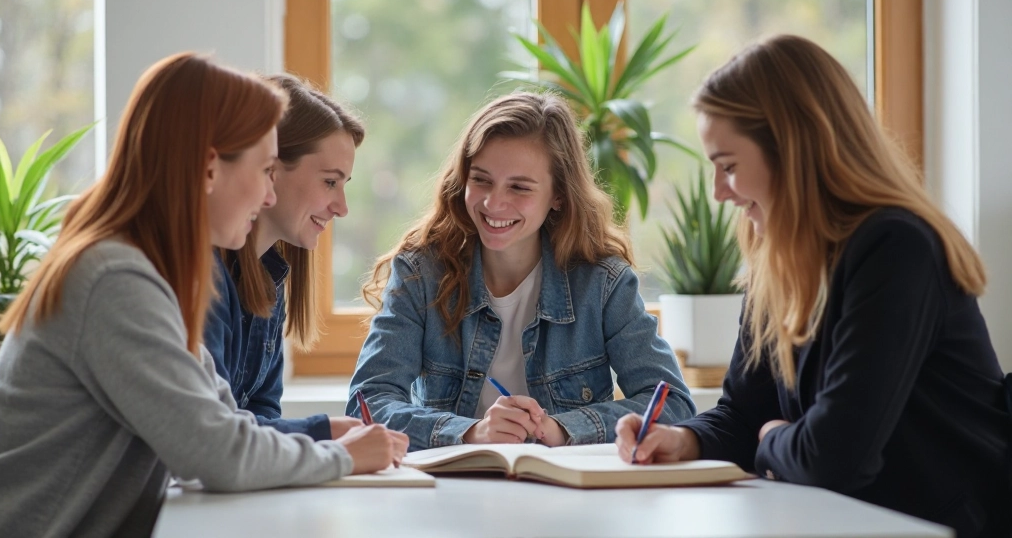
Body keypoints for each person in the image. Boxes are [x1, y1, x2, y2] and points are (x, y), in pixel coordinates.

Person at [0, 53, 406, 538]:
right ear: (210, 168)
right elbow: (217, 453)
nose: (268, 197)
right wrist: (341, 456)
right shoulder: (114, 280)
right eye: (264, 169)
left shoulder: (145, 271)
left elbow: (225, 420)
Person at [614, 35, 1010, 538]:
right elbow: (744, 410)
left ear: (792, 150)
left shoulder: (896, 247)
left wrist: (772, 438)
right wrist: (683, 440)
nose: (718, 192)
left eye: (729, 166)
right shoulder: (776, 254)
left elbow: (834, 458)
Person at [349, 91, 695, 452]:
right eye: (481, 180)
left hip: (568, 494)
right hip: (451, 493)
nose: (493, 203)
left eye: (519, 187)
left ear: (558, 195)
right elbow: (367, 404)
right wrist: (470, 433)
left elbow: (672, 405)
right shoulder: (420, 274)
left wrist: (561, 429)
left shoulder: (603, 283)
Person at [204, 74, 365, 441]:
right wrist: (323, 434)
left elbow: (262, 410)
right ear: (271, 170)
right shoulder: (206, 274)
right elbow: (214, 427)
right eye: (330, 182)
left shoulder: (269, 278)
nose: (341, 207)